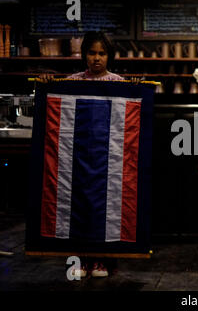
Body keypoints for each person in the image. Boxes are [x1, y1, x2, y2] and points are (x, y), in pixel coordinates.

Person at [40, 31, 135, 278]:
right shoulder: (72, 81)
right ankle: (79, 259)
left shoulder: (119, 83)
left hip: (108, 160)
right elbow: (55, 96)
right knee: (79, 208)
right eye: (92, 53)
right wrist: (47, 83)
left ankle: (102, 260)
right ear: (84, 55)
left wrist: (136, 88)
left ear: (109, 56)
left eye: (101, 53)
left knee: (105, 210)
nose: (96, 58)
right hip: (78, 160)